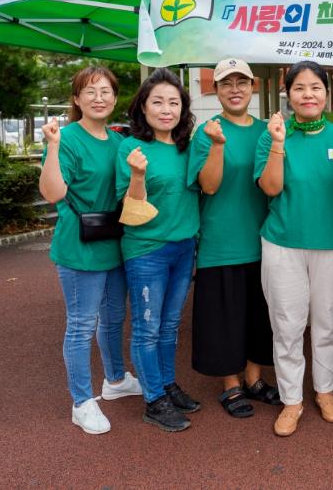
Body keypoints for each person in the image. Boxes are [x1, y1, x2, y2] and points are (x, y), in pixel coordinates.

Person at [39, 66, 141, 434]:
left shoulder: (118, 141)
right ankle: (81, 402)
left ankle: (115, 380)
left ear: (115, 98)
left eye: (106, 92)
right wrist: (51, 146)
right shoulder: (65, 138)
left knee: (114, 319)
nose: (99, 98)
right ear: (77, 98)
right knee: (82, 325)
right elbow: (53, 193)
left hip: (114, 243)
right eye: (90, 91)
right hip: (79, 248)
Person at [256, 60, 333, 437]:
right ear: (288, 94)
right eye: (300, 88)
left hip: (332, 244)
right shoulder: (273, 134)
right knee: (287, 325)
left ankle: (325, 391)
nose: (308, 94)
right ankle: (291, 399)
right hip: (282, 244)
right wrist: (278, 144)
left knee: (328, 323)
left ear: (326, 93)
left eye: (315, 87)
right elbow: (270, 188)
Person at [187, 58, 280, 420]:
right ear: (217, 90)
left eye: (242, 82)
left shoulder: (267, 131)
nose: (235, 89)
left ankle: (255, 380)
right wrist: (217, 145)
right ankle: (232, 385)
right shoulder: (207, 132)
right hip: (221, 242)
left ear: (253, 87)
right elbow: (208, 185)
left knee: (260, 316)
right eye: (227, 83)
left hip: (265, 240)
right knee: (225, 317)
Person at [116, 68, 200, 432]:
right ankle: (153, 399)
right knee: (147, 329)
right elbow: (130, 209)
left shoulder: (188, 147)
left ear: (183, 109)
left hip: (185, 247)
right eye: (158, 102)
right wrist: (137, 175)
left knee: (170, 324)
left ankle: (166, 384)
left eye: (174, 102)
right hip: (147, 250)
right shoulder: (131, 148)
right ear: (143, 108)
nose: (166, 109)